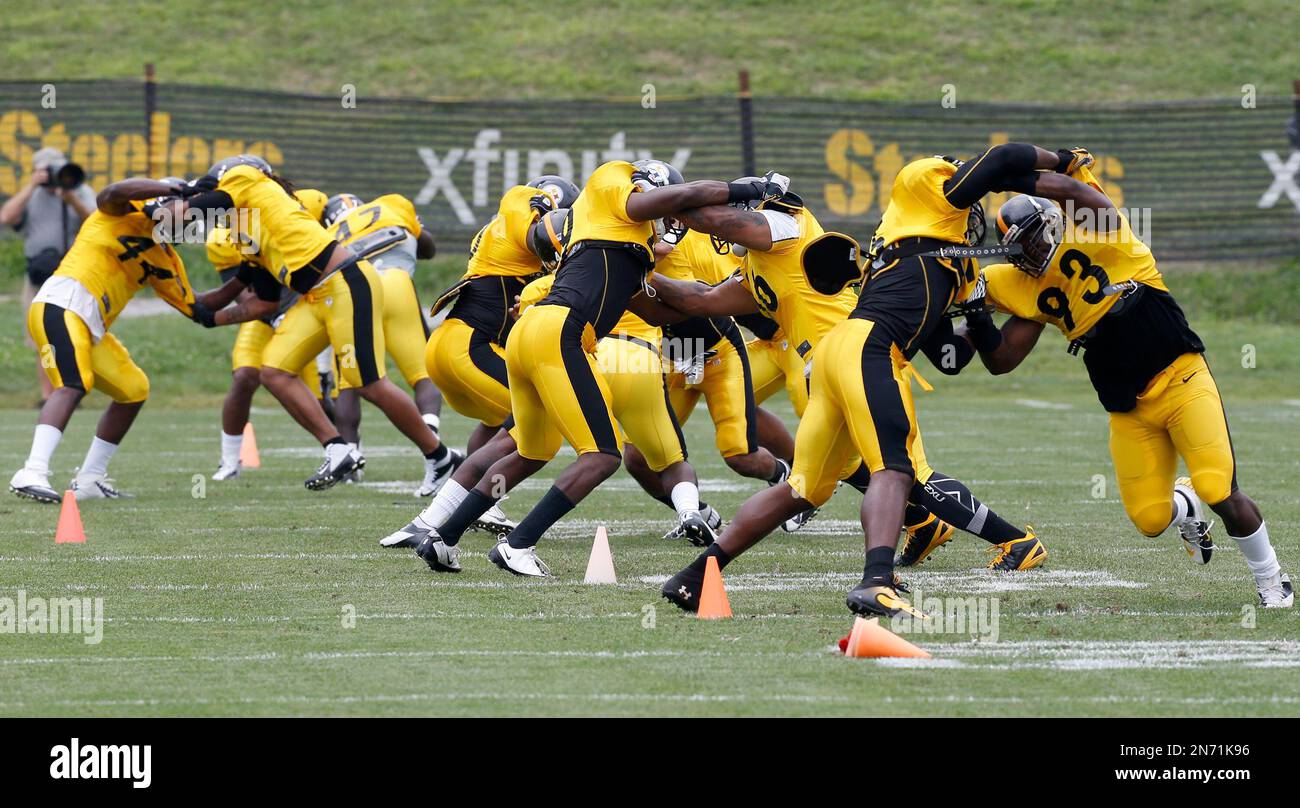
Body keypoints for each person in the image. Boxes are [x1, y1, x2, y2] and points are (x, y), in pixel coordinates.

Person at [404, 161, 792, 577]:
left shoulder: (627, 243)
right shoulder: (612, 180)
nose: (668, 223)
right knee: (603, 456)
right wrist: (740, 189)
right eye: (664, 215)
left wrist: (741, 295)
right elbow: (677, 198)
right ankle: (517, 545)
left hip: (531, 335)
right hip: (560, 332)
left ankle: (443, 537)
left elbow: (660, 311)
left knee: (530, 451)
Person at [947, 160, 1293, 608]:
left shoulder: (1101, 231)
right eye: (1022, 244)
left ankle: (1272, 580)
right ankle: (1184, 505)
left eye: (1036, 233)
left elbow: (1079, 192)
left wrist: (1016, 172)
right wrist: (974, 313)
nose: (1033, 247)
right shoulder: (1016, 283)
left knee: (1218, 488)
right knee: (1150, 520)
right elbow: (1002, 360)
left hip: (1182, 377)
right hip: (1128, 408)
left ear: (1053, 219)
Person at [172, 155, 458, 492]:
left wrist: (168, 199)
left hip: (344, 281)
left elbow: (184, 214)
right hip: (316, 297)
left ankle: (440, 457)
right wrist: (199, 311)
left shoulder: (249, 181)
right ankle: (338, 449)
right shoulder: (245, 227)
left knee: (368, 384)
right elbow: (263, 300)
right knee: (274, 370)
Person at [9, 176, 278, 502]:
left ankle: (90, 479)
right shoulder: (120, 211)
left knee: (133, 389)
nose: (188, 223)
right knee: (73, 383)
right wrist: (177, 190)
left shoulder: (164, 258)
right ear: (164, 203)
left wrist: (243, 277)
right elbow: (114, 191)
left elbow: (202, 311)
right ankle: (32, 471)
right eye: (186, 214)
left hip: (91, 325)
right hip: (61, 303)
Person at [321, 192, 445, 491]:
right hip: (393, 281)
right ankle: (430, 434)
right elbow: (427, 248)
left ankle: (351, 457)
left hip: (352, 295)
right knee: (422, 372)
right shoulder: (390, 204)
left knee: (350, 380)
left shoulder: (327, 234)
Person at [208, 190, 334, 481]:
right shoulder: (226, 235)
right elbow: (244, 294)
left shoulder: (307, 207)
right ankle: (229, 461)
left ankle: (345, 452)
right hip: (264, 313)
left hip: (308, 308)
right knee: (244, 377)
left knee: (322, 396)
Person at [0, 148, 96, 404]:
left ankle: (74, 390)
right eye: (47, 170)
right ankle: (48, 396)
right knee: (42, 337)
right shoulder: (30, 195)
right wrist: (31, 186)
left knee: (77, 334)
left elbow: (97, 224)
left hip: (75, 275)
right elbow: (6, 217)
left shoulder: (80, 191)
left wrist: (71, 198)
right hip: (39, 276)